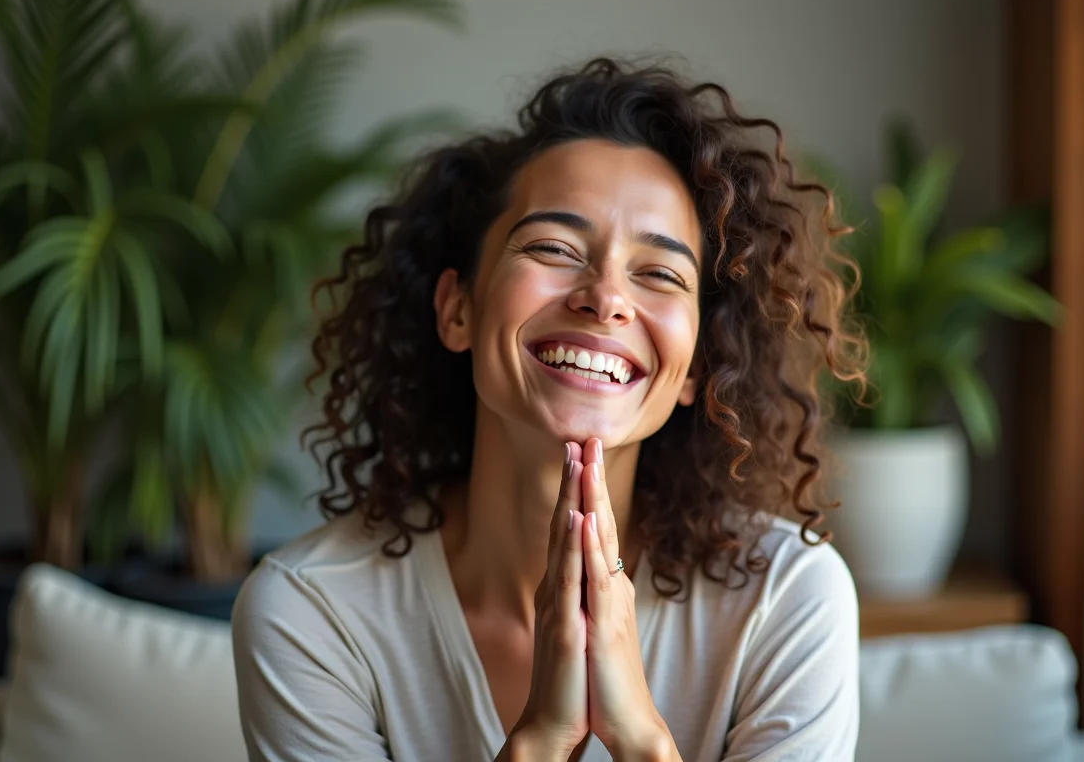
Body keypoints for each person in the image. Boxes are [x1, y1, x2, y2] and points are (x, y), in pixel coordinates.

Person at [231, 56, 867, 762]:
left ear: (697, 367)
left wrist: (641, 741)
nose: (606, 297)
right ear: (458, 310)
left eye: (659, 273)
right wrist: (540, 741)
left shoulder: (786, 599)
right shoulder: (312, 613)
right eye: (554, 248)